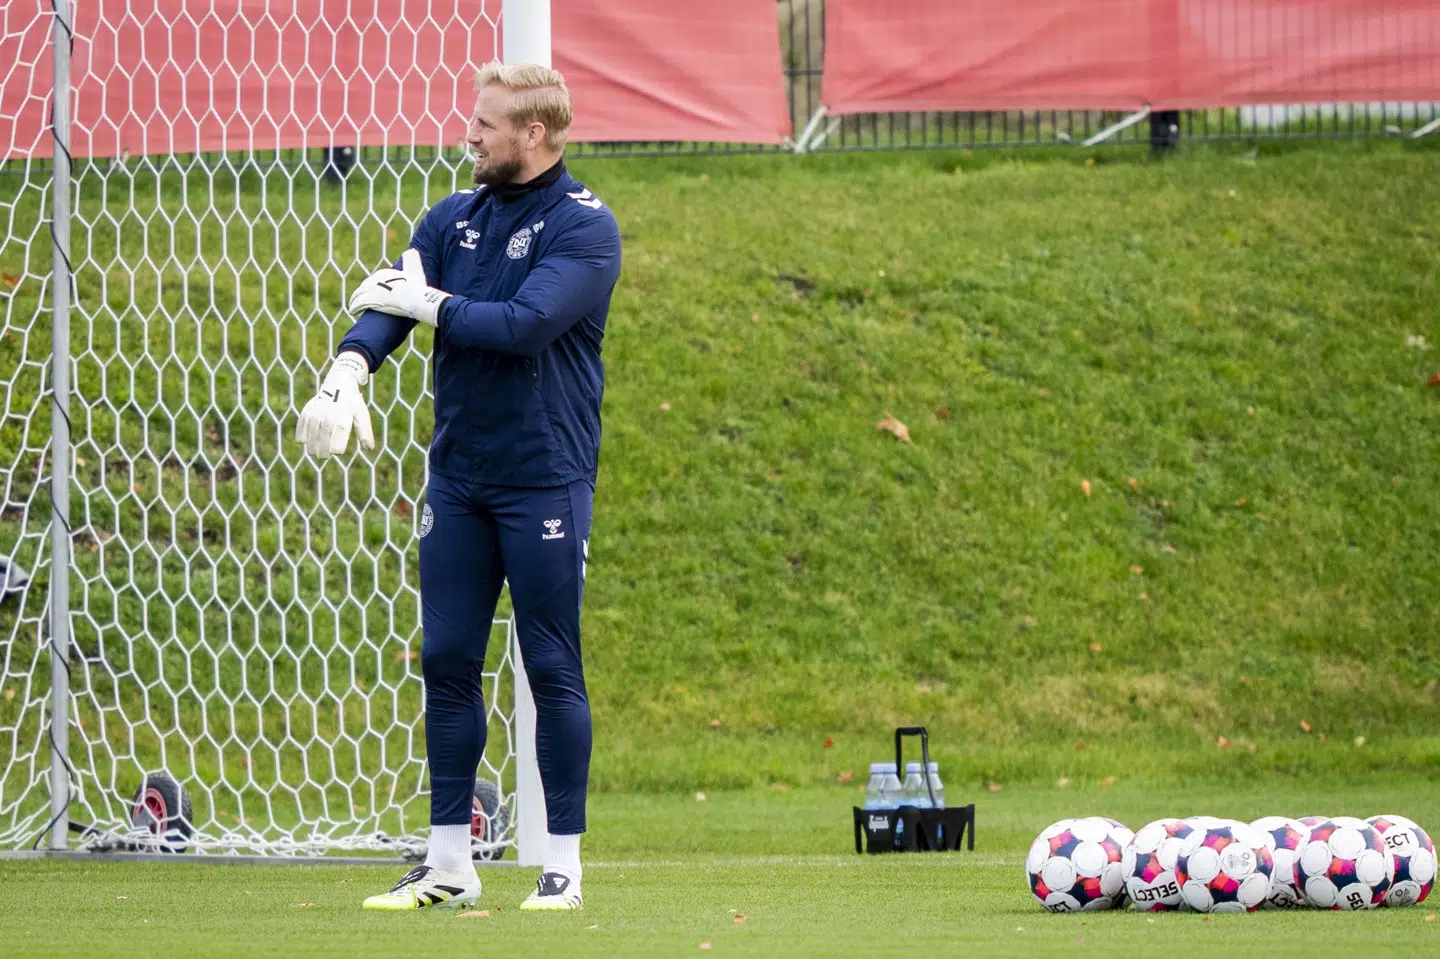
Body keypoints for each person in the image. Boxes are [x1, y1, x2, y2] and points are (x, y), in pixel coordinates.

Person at [294, 62, 621, 912]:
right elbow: (391, 302)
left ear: (536, 135)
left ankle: (563, 867)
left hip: (544, 477)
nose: (468, 135)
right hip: (461, 475)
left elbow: (521, 328)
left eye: (486, 124)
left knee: (549, 662)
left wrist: (423, 299)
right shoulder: (452, 218)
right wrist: (349, 366)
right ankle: (448, 862)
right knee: (446, 658)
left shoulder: (585, 230)